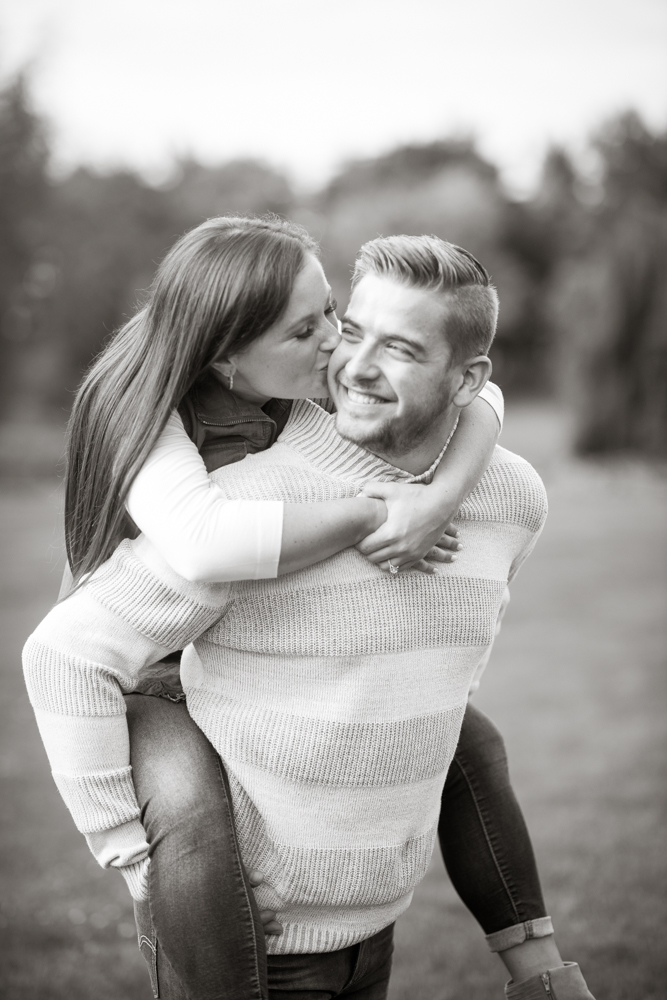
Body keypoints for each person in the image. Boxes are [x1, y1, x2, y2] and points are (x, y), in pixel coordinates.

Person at [23, 229, 596, 999]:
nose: (339, 352)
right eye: (318, 330)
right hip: (142, 674)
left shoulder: (315, 391)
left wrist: (440, 494)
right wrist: (366, 512)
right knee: (189, 815)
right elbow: (201, 543)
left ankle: (538, 971)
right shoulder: (158, 421)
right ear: (227, 357)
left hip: (368, 925)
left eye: (336, 315)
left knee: (461, 732)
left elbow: (478, 394)